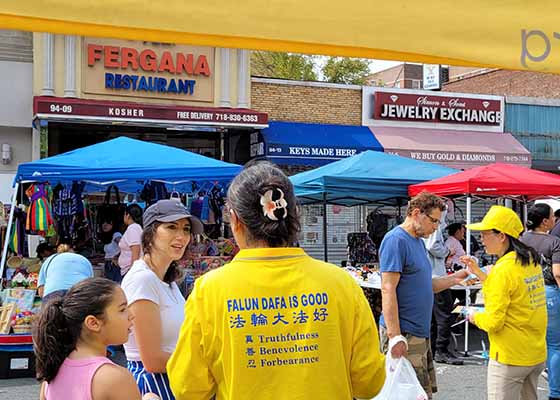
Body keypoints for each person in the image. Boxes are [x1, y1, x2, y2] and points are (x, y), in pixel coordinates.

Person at [167, 161, 386, 400]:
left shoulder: (209, 291)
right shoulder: (341, 284)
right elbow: (369, 382)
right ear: (295, 214)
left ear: (235, 220)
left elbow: (188, 388)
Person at [379, 191, 470, 398]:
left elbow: (424, 285)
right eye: (434, 221)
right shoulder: (396, 240)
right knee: (406, 392)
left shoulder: (418, 243)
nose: (436, 227)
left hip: (418, 332)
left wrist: (456, 278)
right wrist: (395, 336)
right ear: (417, 213)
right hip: (405, 333)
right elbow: (388, 288)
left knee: (419, 392)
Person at [461, 205, 547, 400]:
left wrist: (473, 316)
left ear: (502, 236)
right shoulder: (529, 259)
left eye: (484, 234)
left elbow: (493, 322)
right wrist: (479, 273)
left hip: (510, 356)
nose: (481, 240)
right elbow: (512, 292)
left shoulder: (502, 270)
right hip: (534, 352)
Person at [122, 199, 203, 400]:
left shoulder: (168, 281)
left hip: (174, 379)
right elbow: (152, 360)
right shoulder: (143, 279)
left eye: (186, 229)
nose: (181, 236)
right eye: (171, 227)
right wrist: (205, 364)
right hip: (154, 386)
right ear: (150, 234)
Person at [34, 277, 159, 400]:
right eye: (122, 309)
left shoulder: (52, 374)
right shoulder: (115, 378)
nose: (131, 315)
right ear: (93, 323)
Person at [520, 203, 560, 400]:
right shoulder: (554, 241)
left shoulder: (519, 240)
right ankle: (555, 393)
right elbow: (558, 273)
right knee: (555, 345)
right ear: (545, 222)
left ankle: (527, 390)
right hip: (549, 292)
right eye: (553, 216)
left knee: (529, 341)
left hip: (524, 293)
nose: (555, 220)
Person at [425, 211, 464, 365]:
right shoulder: (435, 226)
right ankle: (441, 350)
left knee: (435, 317)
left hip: (432, 276)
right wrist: (447, 252)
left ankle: (434, 349)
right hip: (438, 277)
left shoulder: (428, 226)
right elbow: (432, 245)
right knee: (443, 316)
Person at [118, 204, 143, 278]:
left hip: (130, 270)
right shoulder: (136, 228)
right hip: (128, 270)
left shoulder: (133, 228)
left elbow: (136, 251)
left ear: (127, 215)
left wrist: (132, 272)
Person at [101, 218, 123, 283]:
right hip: (108, 265)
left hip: (114, 266)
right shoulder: (107, 237)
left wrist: (117, 256)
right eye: (103, 223)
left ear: (113, 224)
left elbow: (124, 246)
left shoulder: (116, 234)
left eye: (108, 223)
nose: (104, 225)